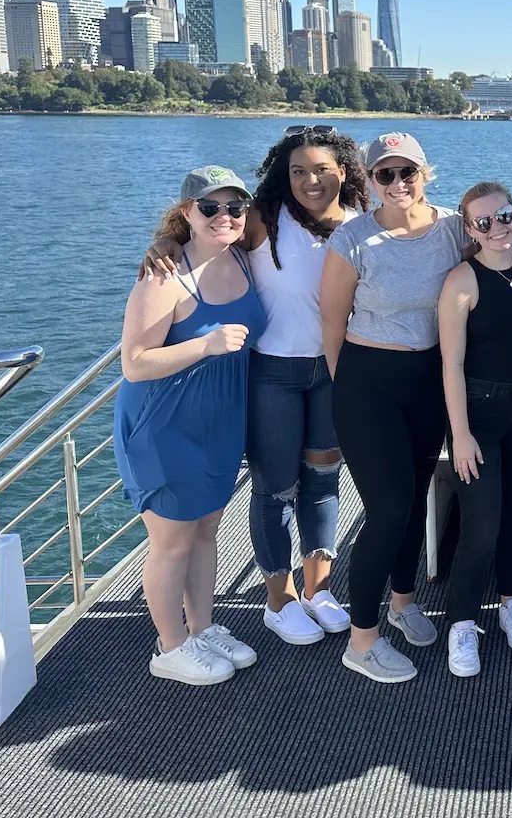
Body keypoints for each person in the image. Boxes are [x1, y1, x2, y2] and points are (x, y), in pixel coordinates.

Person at [144, 126, 370, 647]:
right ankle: (279, 598)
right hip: (273, 373)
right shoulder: (265, 220)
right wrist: (164, 242)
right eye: (297, 171)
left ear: (344, 171)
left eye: (320, 170)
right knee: (276, 487)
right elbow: (205, 233)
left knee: (323, 481)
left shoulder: (361, 223)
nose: (309, 181)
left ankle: (319, 590)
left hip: (334, 370)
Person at [322, 132, 467, 683]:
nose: (398, 183)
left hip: (428, 379)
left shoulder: (454, 228)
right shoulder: (353, 238)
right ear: (368, 180)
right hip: (367, 382)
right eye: (384, 174)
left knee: (414, 501)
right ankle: (362, 641)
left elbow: (511, 240)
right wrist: (348, 388)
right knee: (387, 508)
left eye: (408, 171)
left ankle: (403, 603)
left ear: (426, 174)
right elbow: (332, 321)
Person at [115, 166, 267, 685]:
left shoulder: (244, 259)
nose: (224, 217)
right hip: (165, 425)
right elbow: (134, 362)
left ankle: (200, 630)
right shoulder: (164, 275)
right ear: (187, 213)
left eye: (234, 208)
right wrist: (204, 343)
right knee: (172, 541)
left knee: (206, 531)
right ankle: (169, 645)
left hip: (221, 420)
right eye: (210, 207)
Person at [436, 182, 512, 677]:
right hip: (479, 413)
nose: (496, 227)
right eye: (483, 222)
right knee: (481, 524)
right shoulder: (461, 280)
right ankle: (462, 622)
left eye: (503, 216)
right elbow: (451, 364)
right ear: (468, 229)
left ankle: (510, 601)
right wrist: (459, 434)